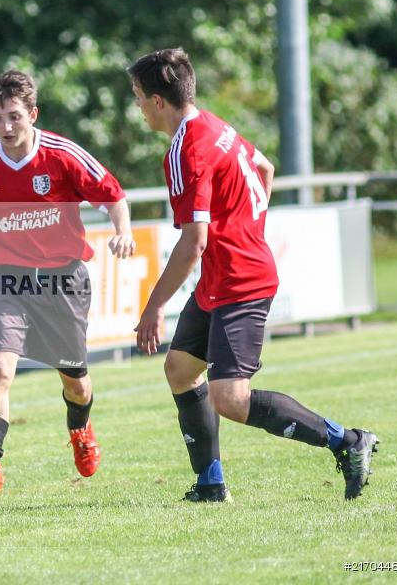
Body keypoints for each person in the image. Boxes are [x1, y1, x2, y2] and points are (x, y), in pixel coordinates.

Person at [127, 48, 378, 502]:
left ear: (158, 101)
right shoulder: (214, 125)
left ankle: (348, 442)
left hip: (240, 281)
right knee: (181, 369)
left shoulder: (186, 150)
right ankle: (210, 483)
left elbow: (193, 243)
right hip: (220, 278)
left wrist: (153, 307)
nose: (138, 107)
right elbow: (265, 167)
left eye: (139, 97)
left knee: (231, 398)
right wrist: (247, 226)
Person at [0, 70, 135, 492]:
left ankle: (80, 430)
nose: (5, 127)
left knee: (75, 383)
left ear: (33, 114)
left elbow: (113, 194)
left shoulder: (61, 154)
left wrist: (123, 232)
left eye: (14, 117)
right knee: (0, 368)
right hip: (8, 280)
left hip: (63, 280)